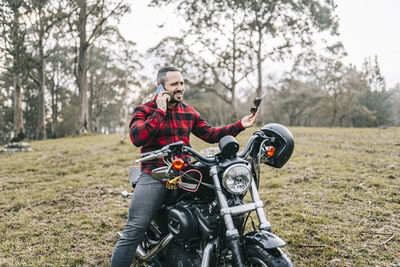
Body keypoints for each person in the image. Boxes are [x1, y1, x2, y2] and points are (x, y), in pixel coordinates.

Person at [110, 67, 258, 266]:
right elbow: (137, 138)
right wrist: (160, 113)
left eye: (181, 83)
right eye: (174, 84)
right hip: (156, 174)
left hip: (186, 173)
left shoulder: (187, 111)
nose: (180, 88)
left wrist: (240, 124)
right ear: (160, 88)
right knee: (134, 229)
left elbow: (211, 134)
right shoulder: (144, 110)